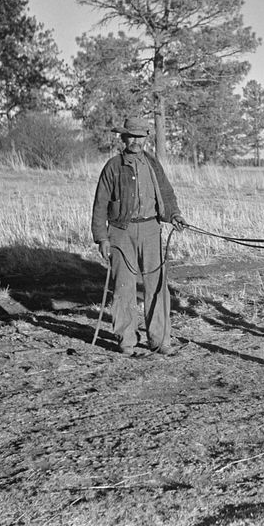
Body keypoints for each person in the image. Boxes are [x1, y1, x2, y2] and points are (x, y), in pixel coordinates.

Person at [91, 117, 188, 356]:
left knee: (157, 287)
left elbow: (166, 193)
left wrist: (174, 215)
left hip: (151, 230)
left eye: (140, 136)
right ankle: (126, 342)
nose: (135, 141)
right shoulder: (113, 166)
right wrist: (102, 238)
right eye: (130, 136)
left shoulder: (154, 165)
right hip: (120, 233)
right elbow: (100, 204)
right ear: (123, 138)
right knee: (124, 287)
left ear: (147, 137)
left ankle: (160, 341)